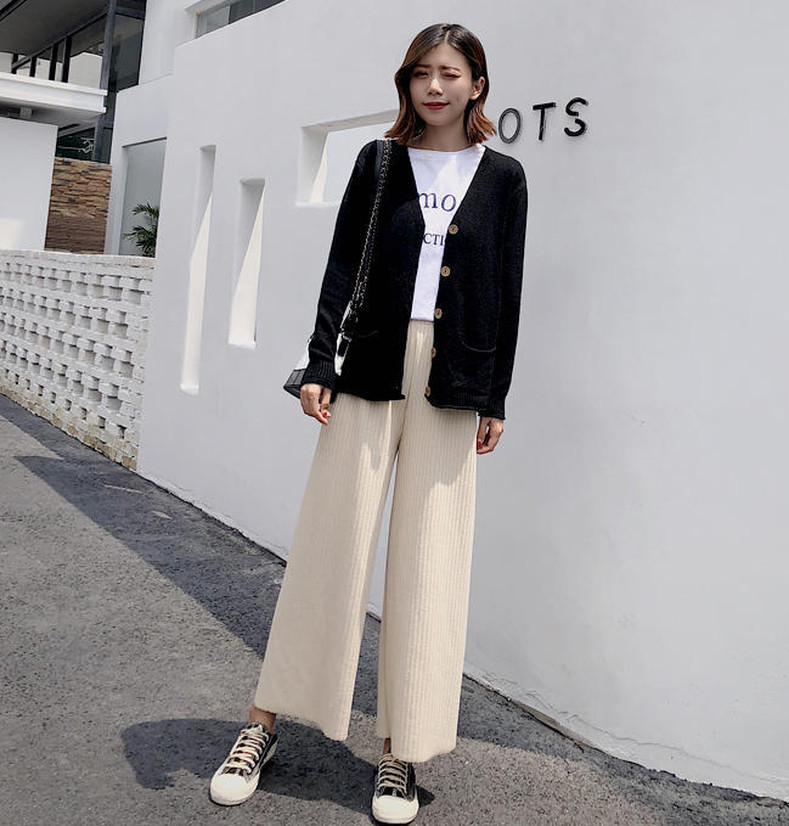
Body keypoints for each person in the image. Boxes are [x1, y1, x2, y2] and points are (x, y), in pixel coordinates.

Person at [209, 21, 528, 825]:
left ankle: (401, 748)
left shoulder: (504, 178)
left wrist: (494, 395)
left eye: (450, 72)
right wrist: (321, 363)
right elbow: (342, 265)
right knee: (331, 543)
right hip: (372, 367)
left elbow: (507, 290)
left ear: (477, 84)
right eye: (422, 72)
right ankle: (263, 722)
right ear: (407, 83)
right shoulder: (379, 161)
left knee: (431, 563)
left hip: (455, 379)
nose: (435, 86)